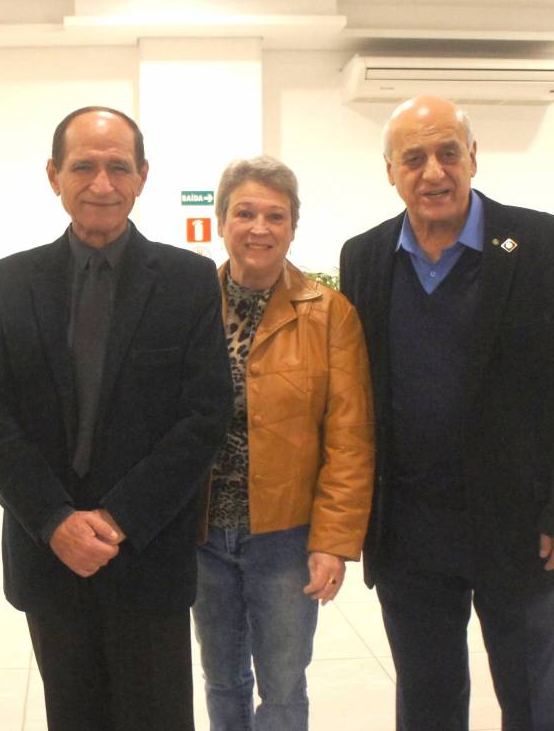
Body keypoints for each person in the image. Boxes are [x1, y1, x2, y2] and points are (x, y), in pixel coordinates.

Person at [339, 95, 554, 730]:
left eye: (447, 153)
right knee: (427, 702)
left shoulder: (550, 247)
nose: (433, 172)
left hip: (522, 526)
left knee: (535, 700)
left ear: (472, 158)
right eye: (414, 158)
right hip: (409, 531)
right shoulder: (365, 257)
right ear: (390, 170)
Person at [0, 106, 233, 731]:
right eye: (83, 166)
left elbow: (205, 415)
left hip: (146, 552)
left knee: (157, 718)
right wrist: (54, 520)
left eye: (118, 167)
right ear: (53, 176)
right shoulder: (11, 282)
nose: (102, 184)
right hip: (50, 555)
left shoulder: (188, 280)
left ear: (142, 176)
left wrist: (117, 519)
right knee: (73, 715)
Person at [192, 156, 375, 730]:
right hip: (203, 533)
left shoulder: (330, 314)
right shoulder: (191, 304)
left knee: (283, 686)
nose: (260, 228)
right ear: (221, 221)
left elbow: (350, 438)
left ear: (294, 225)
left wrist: (333, 542)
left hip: (286, 537)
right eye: (245, 213)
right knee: (222, 679)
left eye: (276, 216)